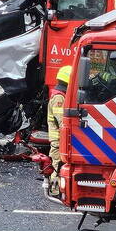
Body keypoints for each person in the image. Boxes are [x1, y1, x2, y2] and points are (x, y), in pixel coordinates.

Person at [45, 64, 71, 199]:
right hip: (57, 139)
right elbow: (62, 121)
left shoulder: (60, 95)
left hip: (60, 138)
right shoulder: (59, 98)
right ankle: (55, 191)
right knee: (57, 164)